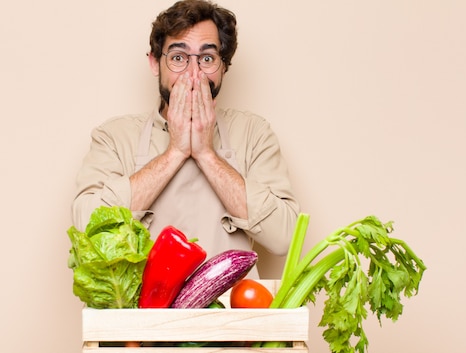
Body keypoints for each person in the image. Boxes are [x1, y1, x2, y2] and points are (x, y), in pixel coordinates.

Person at [72, 0, 299, 277]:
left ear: (223, 66)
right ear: (156, 63)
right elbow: (88, 228)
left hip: (232, 316)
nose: (194, 74)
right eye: (178, 57)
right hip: (142, 318)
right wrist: (175, 152)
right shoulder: (114, 136)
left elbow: (285, 237)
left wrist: (206, 154)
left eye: (207, 59)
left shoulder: (254, 132)